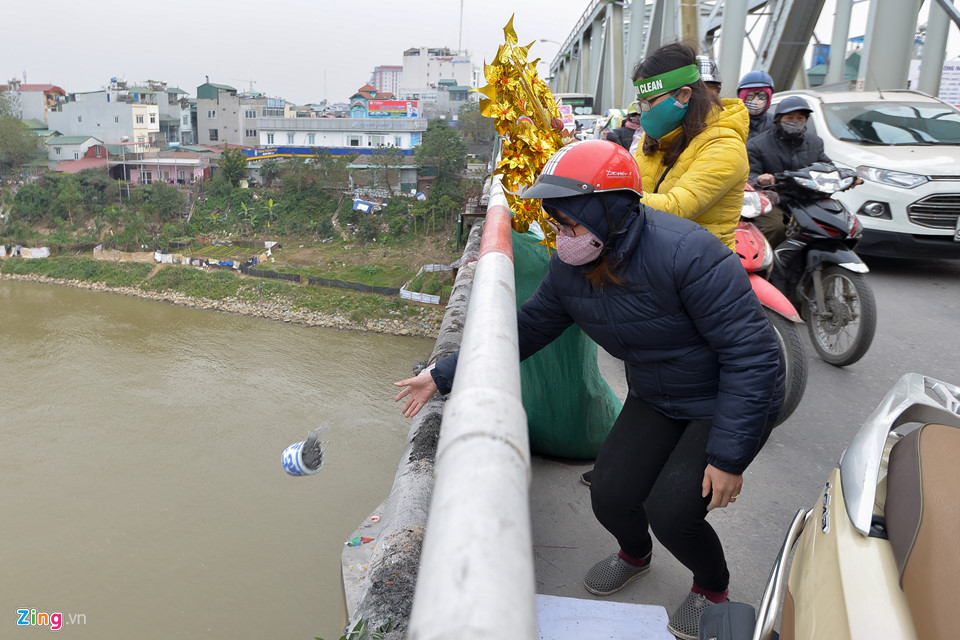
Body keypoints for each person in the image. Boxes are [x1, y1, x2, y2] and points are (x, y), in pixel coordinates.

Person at [393, 140, 785, 640]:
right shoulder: (572, 266)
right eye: (557, 224)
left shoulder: (688, 254)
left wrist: (728, 458)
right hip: (657, 395)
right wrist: (442, 374)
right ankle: (635, 554)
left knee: (674, 511)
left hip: (725, 399)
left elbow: (753, 357)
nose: (562, 237)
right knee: (610, 493)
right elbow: (527, 329)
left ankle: (712, 586)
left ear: (612, 212)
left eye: (571, 224)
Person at [631, 42, 749, 251]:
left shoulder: (724, 145)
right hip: (655, 257)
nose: (643, 112)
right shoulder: (654, 138)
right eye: (640, 104)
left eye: (648, 103)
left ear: (684, 95)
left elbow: (677, 208)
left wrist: (609, 194)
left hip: (702, 267)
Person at [746, 96, 833, 248]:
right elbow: (748, 175)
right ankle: (766, 265)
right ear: (778, 120)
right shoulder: (756, 145)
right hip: (773, 200)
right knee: (775, 228)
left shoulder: (815, 142)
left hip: (807, 198)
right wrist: (760, 178)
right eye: (790, 117)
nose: (795, 121)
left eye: (800, 118)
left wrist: (848, 177)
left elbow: (827, 166)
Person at [737, 70, 775, 140]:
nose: (755, 101)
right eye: (750, 96)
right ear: (741, 97)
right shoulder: (732, 123)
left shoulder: (776, 124)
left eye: (762, 96)